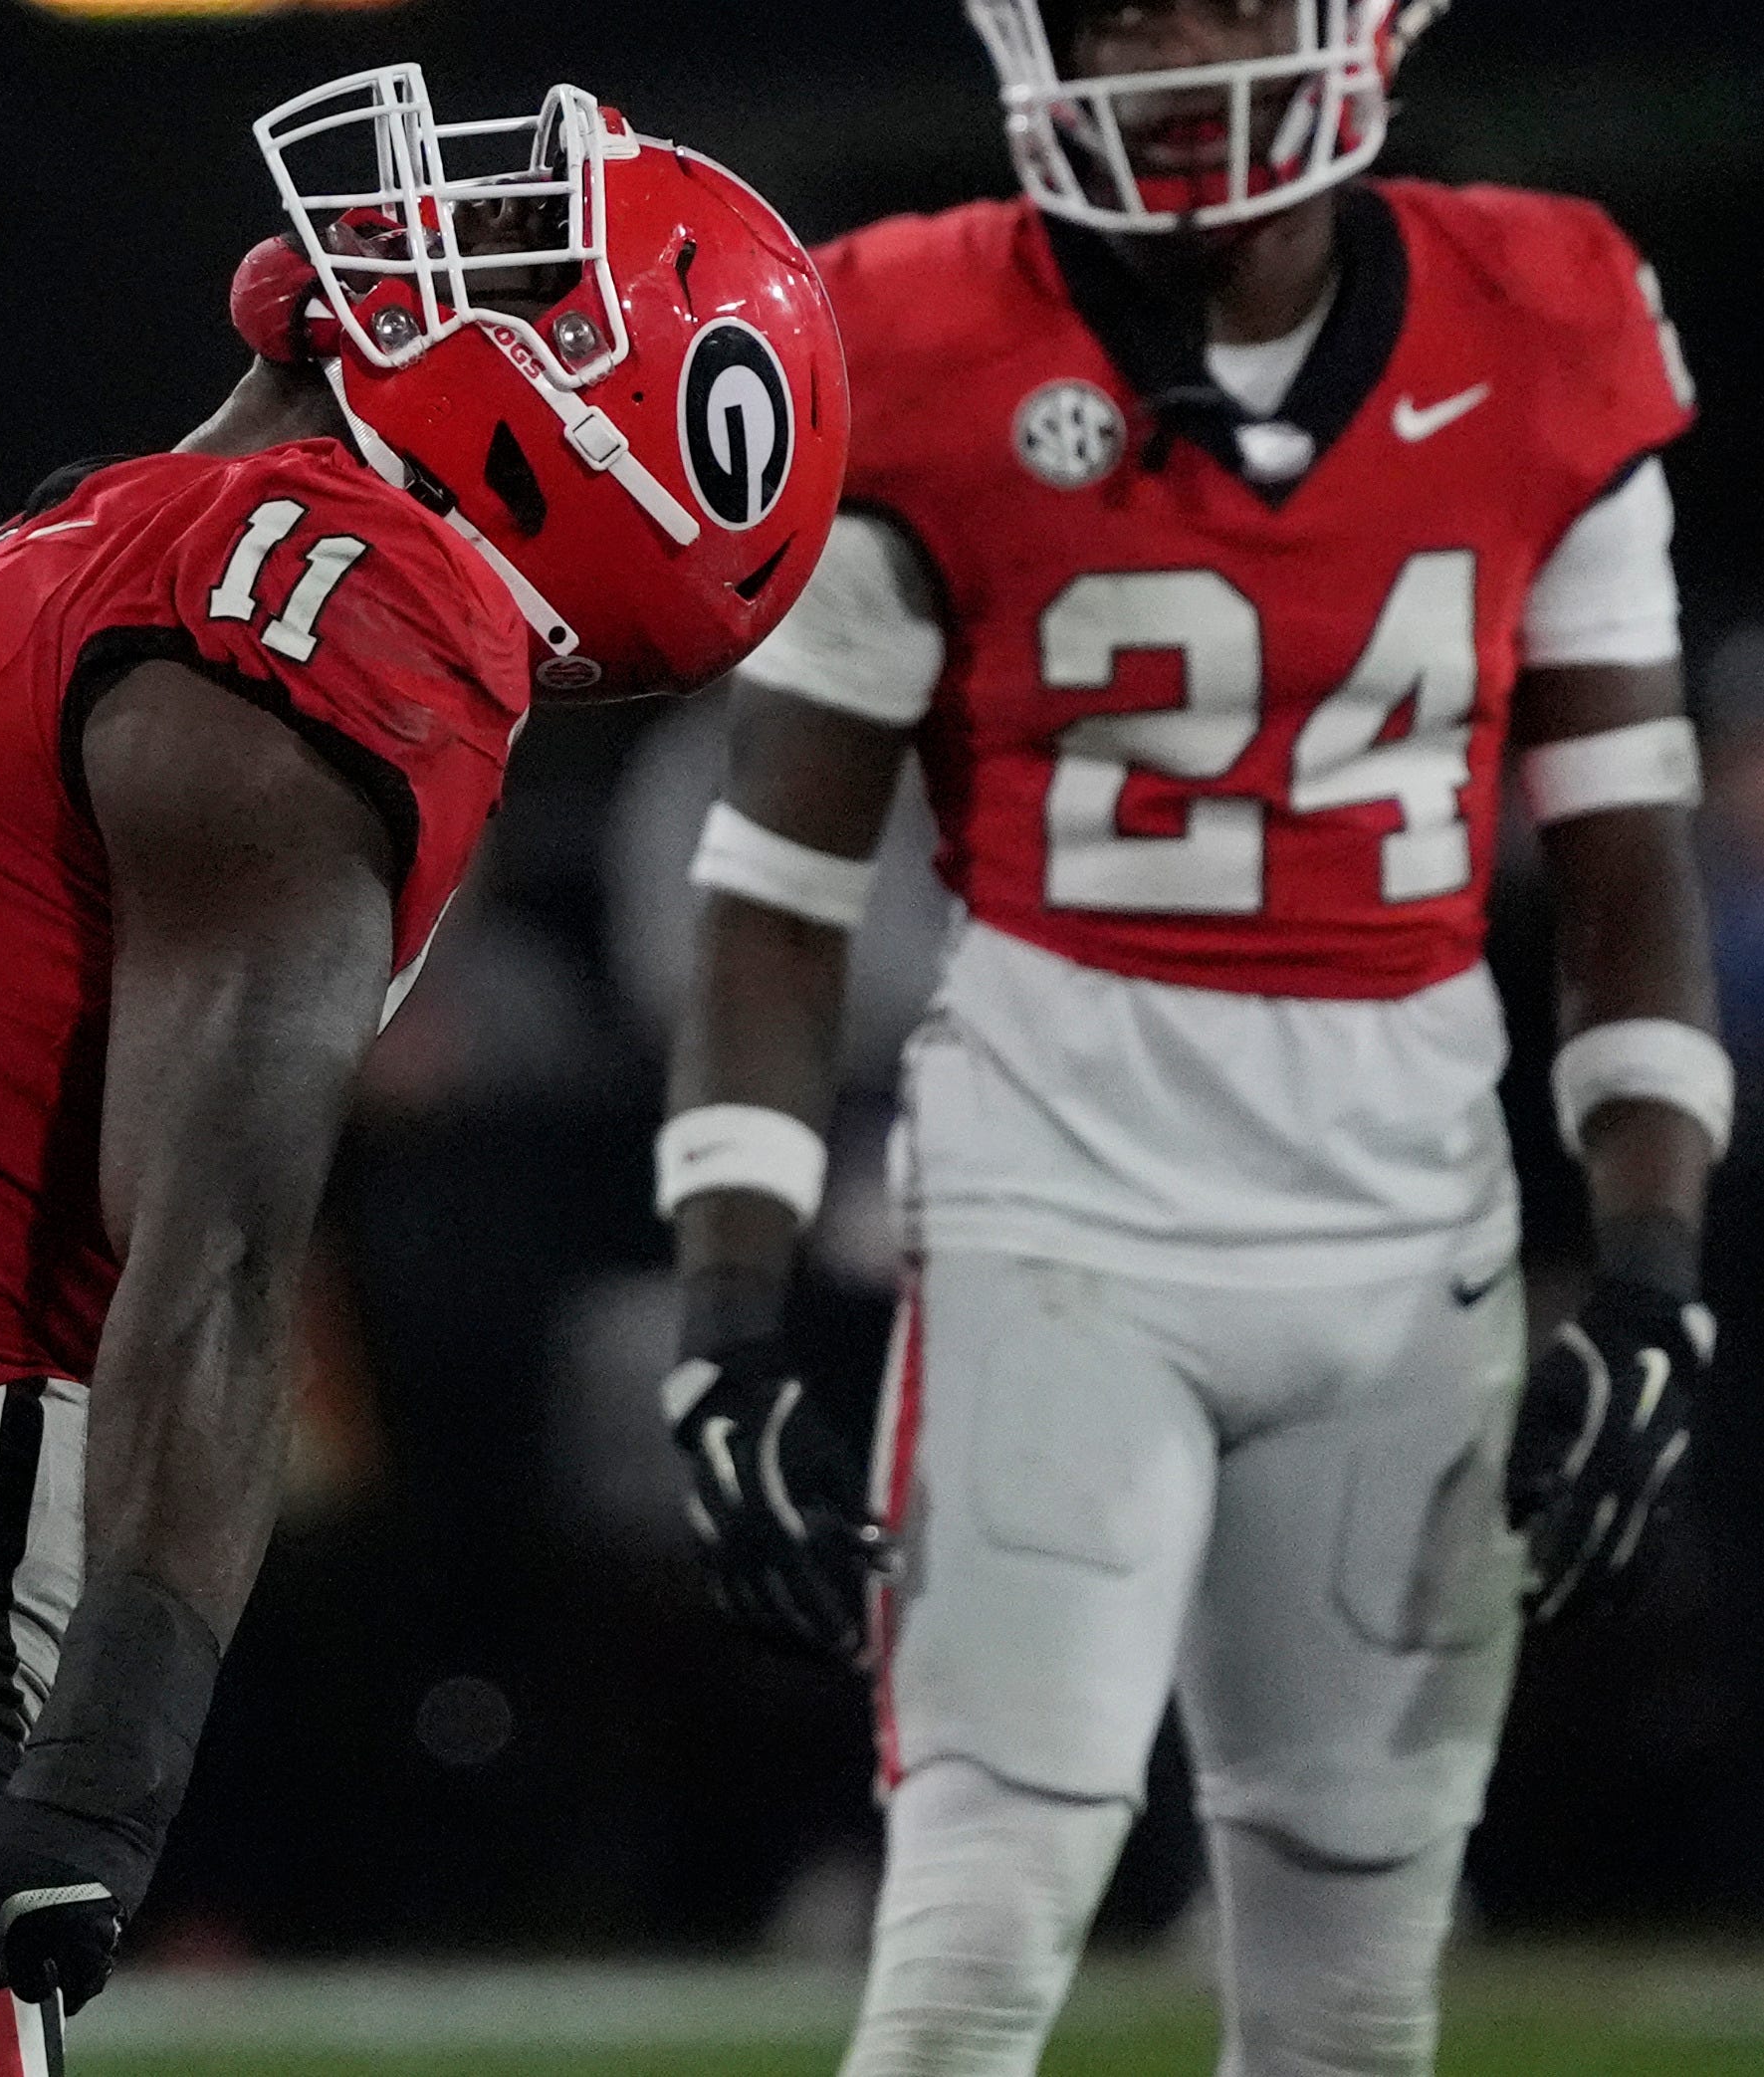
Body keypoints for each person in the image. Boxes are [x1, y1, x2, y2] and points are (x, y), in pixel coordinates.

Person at [0, 62, 846, 2077]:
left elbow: (217, 1240)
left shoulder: (324, 591)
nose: (437, 229)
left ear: (609, 438)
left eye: (536, 265)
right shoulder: (148, 531)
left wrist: (111, 1760)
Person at [657, 2, 1721, 2071]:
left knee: (1351, 1991)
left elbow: (1624, 855)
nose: (1154, 44)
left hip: (1407, 1202)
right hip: (1059, 1190)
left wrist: (1658, 1258)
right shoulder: (905, 327)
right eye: (1108, 7)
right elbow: (773, 878)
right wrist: (726, 1292)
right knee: (973, 1929)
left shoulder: (1548, 306)